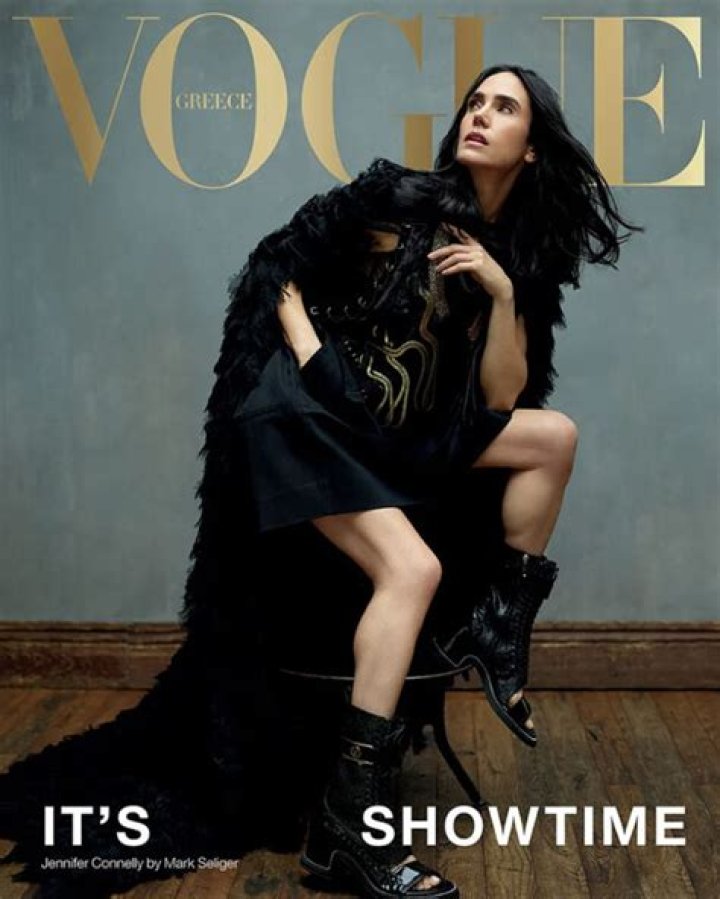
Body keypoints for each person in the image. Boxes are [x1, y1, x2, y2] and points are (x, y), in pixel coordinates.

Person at [0, 64, 639, 899]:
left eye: (504, 107)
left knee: (553, 436)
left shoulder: (505, 256)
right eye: (475, 102)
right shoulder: (401, 204)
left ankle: (496, 628)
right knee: (412, 569)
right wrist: (306, 349)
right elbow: (280, 266)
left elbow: (499, 400)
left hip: (389, 431)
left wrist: (503, 292)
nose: (480, 115)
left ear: (531, 149)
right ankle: (348, 824)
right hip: (307, 419)